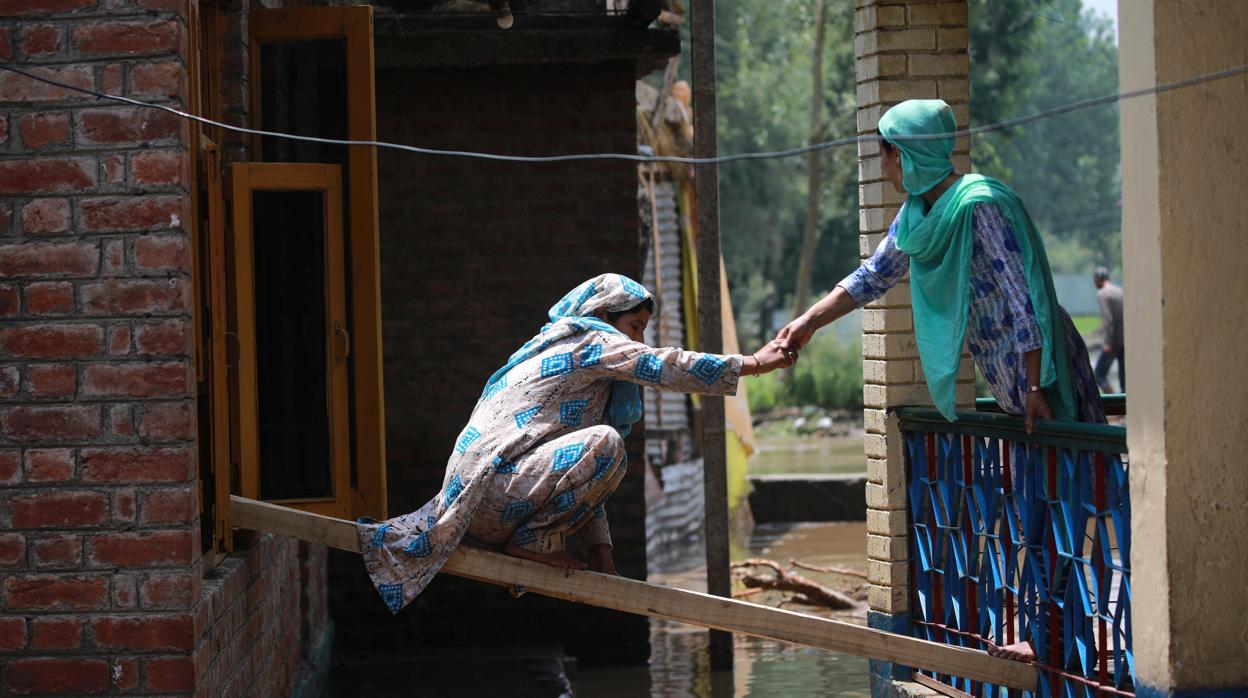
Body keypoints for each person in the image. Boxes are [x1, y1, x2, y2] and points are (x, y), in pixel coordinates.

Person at [356, 273, 796, 613]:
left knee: (600, 448)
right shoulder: (590, 341)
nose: (637, 340)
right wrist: (753, 363)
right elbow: (663, 365)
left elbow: (576, 478)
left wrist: (602, 558)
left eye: (642, 330)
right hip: (494, 496)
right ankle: (532, 546)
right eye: (634, 326)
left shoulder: (557, 357)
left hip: (483, 502)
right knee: (606, 445)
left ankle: (534, 543)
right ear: (605, 316)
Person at [776, 99, 1105, 435]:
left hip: (1042, 368)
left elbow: (1023, 301)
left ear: (902, 156)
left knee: (1074, 474)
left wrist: (1035, 387)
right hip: (1007, 377)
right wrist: (809, 321)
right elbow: (874, 275)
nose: (884, 168)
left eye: (884, 157)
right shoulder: (917, 215)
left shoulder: (980, 206)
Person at [1092, 266, 1125, 392]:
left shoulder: (1103, 294)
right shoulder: (1119, 291)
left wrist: (1108, 342)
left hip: (1112, 341)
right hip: (1124, 340)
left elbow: (1108, 320)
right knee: (1123, 377)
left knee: (1099, 374)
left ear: (1097, 280)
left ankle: (1114, 404)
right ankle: (1124, 407)